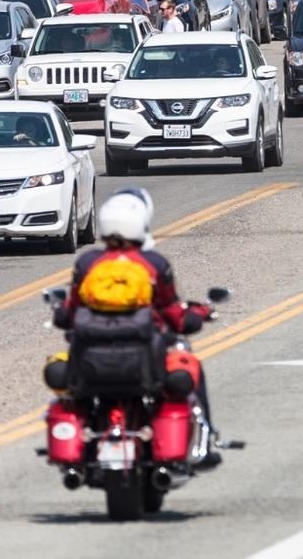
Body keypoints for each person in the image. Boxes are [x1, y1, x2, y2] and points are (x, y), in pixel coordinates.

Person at [54, 188, 220, 462]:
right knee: (191, 368)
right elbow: (174, 313)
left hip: (90, 364)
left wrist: (60, 314)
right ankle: (208, 440)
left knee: (71, 389)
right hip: (144, 363)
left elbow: (68, 314)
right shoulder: (153, 263)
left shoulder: (87, 263)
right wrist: (197, 316)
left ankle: (81, 441)